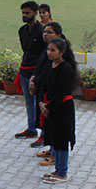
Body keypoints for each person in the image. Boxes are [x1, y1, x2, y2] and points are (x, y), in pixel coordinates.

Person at [39, 37, 79, 184]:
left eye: (53, 50)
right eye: (48, 49)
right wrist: (42, 103)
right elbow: (44, 85)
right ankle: (57, 169)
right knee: (55, 140)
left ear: (61, 52)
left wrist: (48, 107)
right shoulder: (51, 66)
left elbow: (62, 92)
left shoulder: (66, 68)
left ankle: (62, 172)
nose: (49, 53)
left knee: (62, 141)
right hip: (51, 107)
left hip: (62, 108)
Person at [29, 22, 65, 159]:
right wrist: (33, 80)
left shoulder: (62, 54)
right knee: (46, 122)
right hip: (42, 89)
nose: (45, 34)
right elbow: (40, 67)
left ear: (58, 35)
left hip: (53, 95)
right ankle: (50, 148)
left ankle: (56, 155)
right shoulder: (46, 49)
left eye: (50, 32)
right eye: (44, 32)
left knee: (55, 126)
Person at [15, 1, 45, 139]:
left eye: (27, 13)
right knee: (28, 101)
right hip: (25, 69)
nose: (24, 15)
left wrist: (38, 73)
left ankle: (44, 133)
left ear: (35, 13)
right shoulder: (22, 30)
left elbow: (44, 54)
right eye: (23, 13)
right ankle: (31, 128)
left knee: (41, 101)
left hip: (38, 70)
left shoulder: (42, 31)